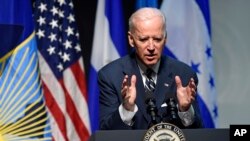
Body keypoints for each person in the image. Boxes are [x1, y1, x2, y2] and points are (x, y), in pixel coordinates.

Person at [98, 7, 203, 130]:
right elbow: (106, 133)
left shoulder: (184, 74)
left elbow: (198, 133)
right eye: (143, 39)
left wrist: (185, 110)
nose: (151, 47)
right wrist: (126, 109)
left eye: (157, 39)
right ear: (131, 39)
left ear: (165, 39)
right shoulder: (110, 76)